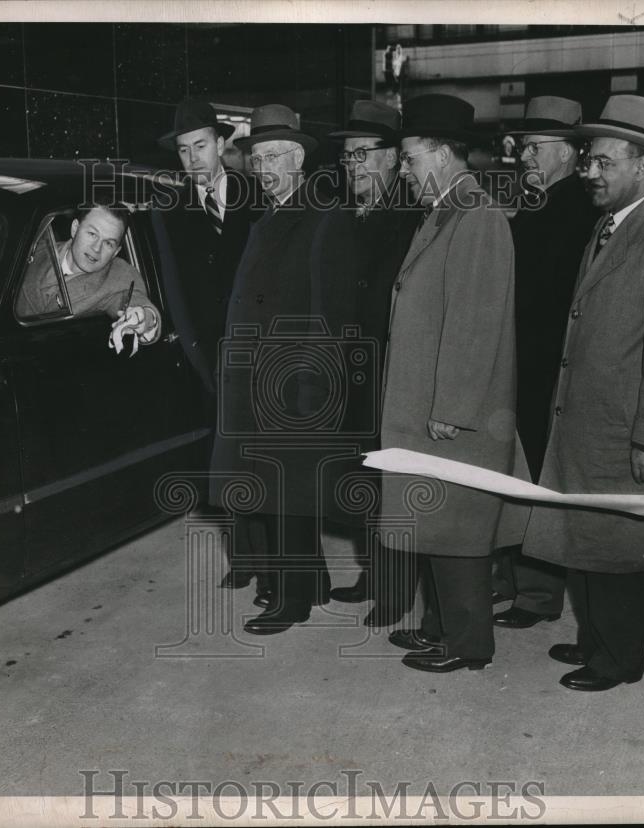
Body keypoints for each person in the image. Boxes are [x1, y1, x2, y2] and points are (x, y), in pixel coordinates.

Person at [522, 95, 644, 691]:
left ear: (642, 164)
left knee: (626, 547)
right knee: (591, 537)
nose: (590, 173)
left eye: (603, 163)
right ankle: (594, 638)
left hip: (629, 429)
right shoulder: (609, 228)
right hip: (590, 422)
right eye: (588, 162)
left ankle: (619, 659)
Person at [380, 94, 517, 672]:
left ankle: (468, 645)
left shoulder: (477, 216)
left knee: (458, 528)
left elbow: (475, 320)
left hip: (452, 408)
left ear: (439, 154)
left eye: (409, 159)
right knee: (436, 521)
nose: (403, 171)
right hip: (427, 399)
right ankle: (439, 627)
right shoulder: (446, 208)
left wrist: (453, 406)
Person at [208, 104, 330, 635]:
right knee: (275, 487)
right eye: (258, 158)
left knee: (287, 491)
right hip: (259, 377)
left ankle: (292, 599)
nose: (264, 168)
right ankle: (312, 582)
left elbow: (327, 308)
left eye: (276, 156)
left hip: (291, 380)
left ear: (300, 159)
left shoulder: (321, 215)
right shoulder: (275, 212)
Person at [491, 96, 601, 630]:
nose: (524, 158)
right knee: (516, 473)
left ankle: (537, 593)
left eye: (536, 149)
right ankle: (514, 577)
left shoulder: (579, 211)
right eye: (522, 148)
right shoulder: (539, 203)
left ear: (569, 153)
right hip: (521, 362)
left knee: (539, 478)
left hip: (547, 368)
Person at [144, 98, 262, 592]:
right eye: (184, 151)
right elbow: (172, 286)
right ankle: (247, 557)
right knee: (229, 455)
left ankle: (288, 562)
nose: (192, 159)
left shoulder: (258, 194)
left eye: (200, 146)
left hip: (262, 343)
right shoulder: (168, 210)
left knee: (274, 454)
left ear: (220, 145)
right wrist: (197, 355)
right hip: (212, 353)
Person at [313, 99, 420, 627]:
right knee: (361, 480)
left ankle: (398, 591)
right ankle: (373, 574)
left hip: (393, 373)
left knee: (394, 484)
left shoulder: (411, 216)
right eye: (347, 158)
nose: (351, 166)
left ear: (392, 158)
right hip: (350, 372)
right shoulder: (340, 215)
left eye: (361, 156)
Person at [16, 204, 159, 349]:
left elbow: (136, 301)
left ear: (116, 252)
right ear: (75, 228)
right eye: (92, 234)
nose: (96, 248)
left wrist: (143, 318)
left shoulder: (116, 277)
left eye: (109, 243)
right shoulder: (37, 247)